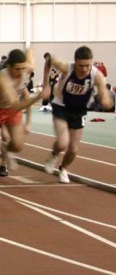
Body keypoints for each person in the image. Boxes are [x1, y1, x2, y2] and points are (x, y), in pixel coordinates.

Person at [0, 49, 45, 184]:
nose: (21, 72)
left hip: (11, 111)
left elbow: (30, 51)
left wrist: (31, 53)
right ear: (9, 66)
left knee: (17, 145)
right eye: (17, 69)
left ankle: (6, 149)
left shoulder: (26, 70)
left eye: (24, 68)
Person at [42, 47, 113, 183]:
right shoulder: (66, 67)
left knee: (73, 149)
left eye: (88, 65)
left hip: (79, 110)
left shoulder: (97, 75)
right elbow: (49, 59)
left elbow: (105, 98)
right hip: (61, 106)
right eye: (81, 65)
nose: (85, 69)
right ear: (75, 62)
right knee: (63, 142)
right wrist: (46, 85)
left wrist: (106, 100)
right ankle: (54, 155)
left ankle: (63, 168)